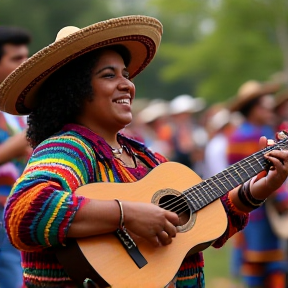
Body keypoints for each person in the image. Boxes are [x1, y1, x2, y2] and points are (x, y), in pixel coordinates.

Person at [0, 16, 288, 288]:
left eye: (126, 74)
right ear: (73, 91)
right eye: (109, 75)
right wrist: (126, 214)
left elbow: (205, 224)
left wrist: (258, 188)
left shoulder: (147, 158)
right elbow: (24, 212)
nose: (127, 84)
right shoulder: (69, 148)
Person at [226, 80, 288, 288]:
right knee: (258, 265)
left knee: (273, 266)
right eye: (263, 105)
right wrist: (282, 198)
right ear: (252, 109)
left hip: (264, 211)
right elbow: (256, 177)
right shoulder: (245, 136)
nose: (269, 109)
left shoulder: (259, 132)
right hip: (255, 212)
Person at [0, 26, 32, 288]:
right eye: (16, 59)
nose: (25, 64)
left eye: (27, 57)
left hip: (17, 219)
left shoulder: (19, 110)